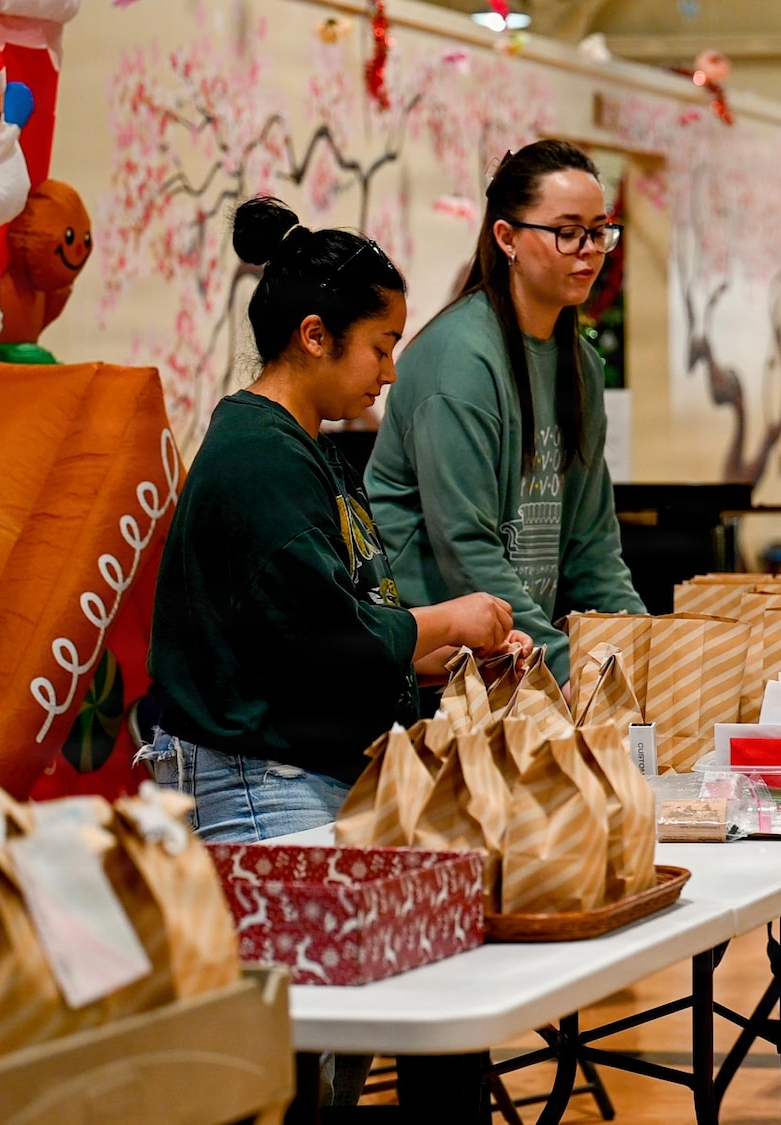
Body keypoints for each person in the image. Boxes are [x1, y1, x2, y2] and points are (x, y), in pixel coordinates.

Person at [144, 196, 523, 845]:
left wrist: (457, 657)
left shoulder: (313, 452)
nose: (391, 371)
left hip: (305, 773)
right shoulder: (258, 458)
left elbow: (344, 630)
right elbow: (327, 635)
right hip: (260, 781)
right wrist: (456, 616)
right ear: (315, 335)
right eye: (381, 347)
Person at [367, 140, 645, 684]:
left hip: (514, 660)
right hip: (432, 675)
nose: (588, 249)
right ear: (507, 237)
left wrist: (645, 657)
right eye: (566, 232)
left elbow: (593, 548)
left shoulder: (580, 364)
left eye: (599, 231)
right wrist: (569, 672)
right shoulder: (460, 363)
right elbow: (467, 550)